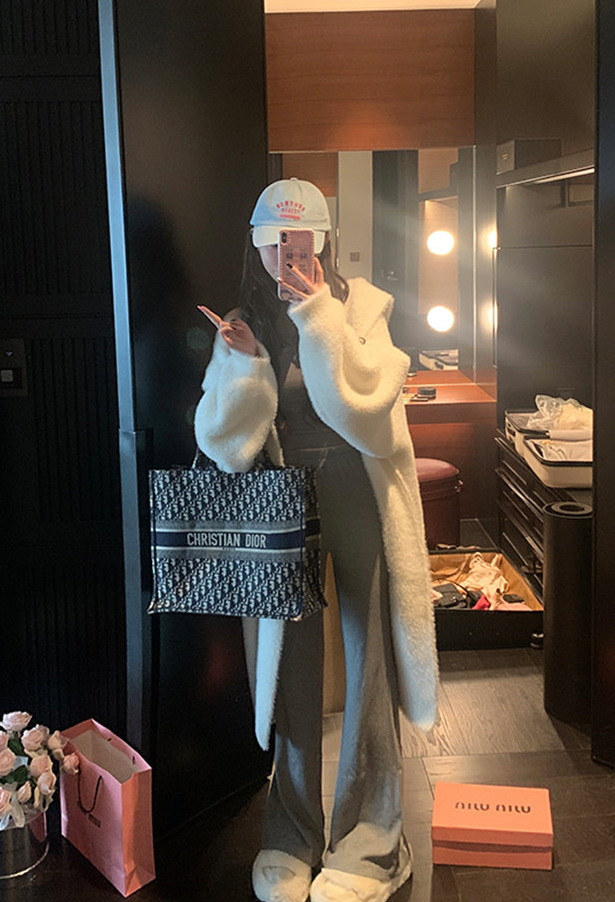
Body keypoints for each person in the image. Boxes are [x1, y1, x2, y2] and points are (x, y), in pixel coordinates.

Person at [194, 178, 437, 902]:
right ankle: (290, 835)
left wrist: (317, 314)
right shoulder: (243, 322)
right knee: (290, 672)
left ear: (324, 242)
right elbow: (221, 443)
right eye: (273, 241)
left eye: (299, 241)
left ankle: (373, 843)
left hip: (359, 488)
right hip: (282, 500)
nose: (286, 255)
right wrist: (245, 366)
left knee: (370, 668)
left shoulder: (361, 309)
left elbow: (365, 413)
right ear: (256, 245)